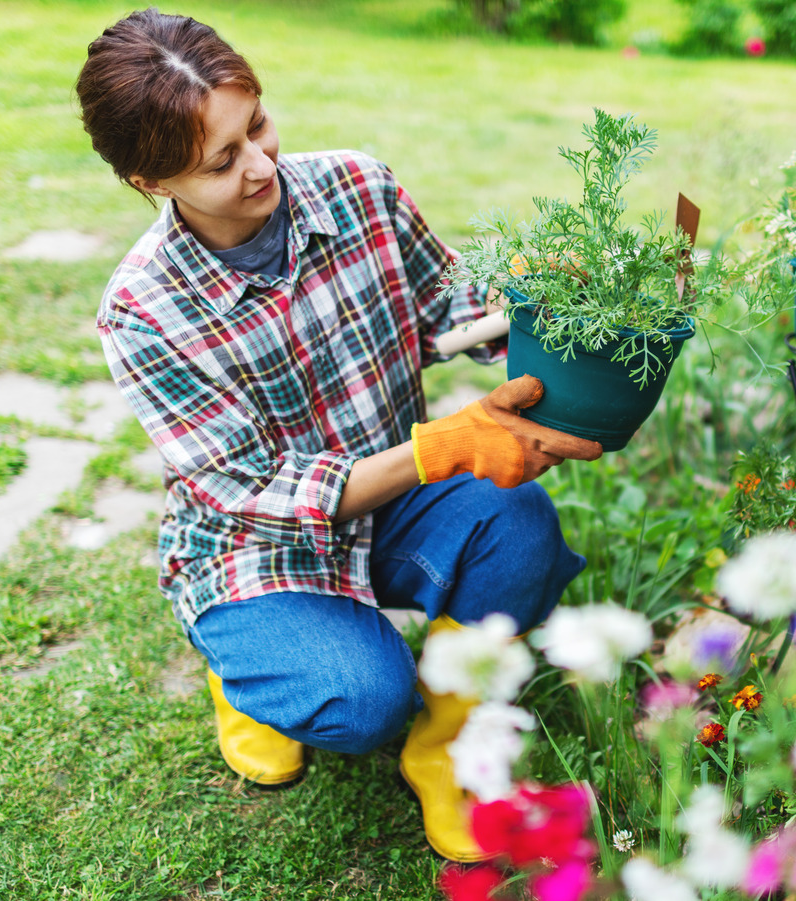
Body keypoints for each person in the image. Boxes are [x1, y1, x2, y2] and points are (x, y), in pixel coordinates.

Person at [75, 8, 603, 861]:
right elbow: (257, 489)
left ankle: (448, 752)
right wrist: (438, 448)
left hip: (395, 501)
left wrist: (555, 321)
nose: (261, 164)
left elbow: (454, 316)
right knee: (361, 700)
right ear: (149, 180)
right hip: (255, 547)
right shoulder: (142, 311)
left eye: (259, 125)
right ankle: (246, 675)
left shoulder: (360, 188)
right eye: (222, 160)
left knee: (520, 526)